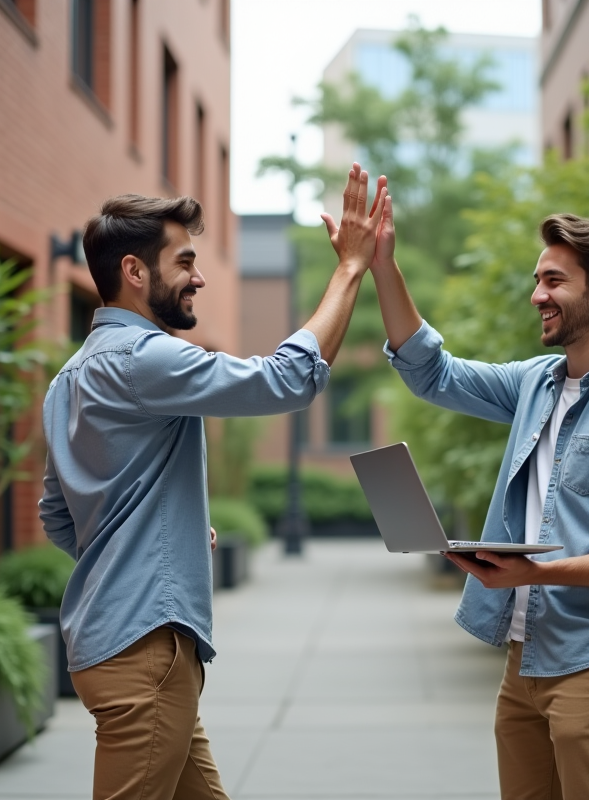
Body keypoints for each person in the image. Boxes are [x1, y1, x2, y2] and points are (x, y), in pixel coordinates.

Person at [38, 165, 385, 800]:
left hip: (118, 643)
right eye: (185, 261)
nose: (199, 276)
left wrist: (159, 544)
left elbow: (58, 516)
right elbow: (285, 380)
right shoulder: (146, 357)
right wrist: (350, 269)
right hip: (146, 651)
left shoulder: (70, 377)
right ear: (136, 273)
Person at [365, 189, 589, 800]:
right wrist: (384, 265)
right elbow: (433, 373)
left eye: (552, 280)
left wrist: (533, 573)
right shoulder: (535, 384)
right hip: (524, 659)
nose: (536, 295)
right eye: (537, 279)